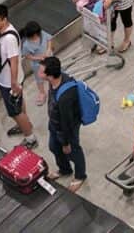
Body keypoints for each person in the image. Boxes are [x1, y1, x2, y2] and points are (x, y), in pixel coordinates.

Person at [0, 4, 38, 149]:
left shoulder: (9, 38)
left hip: (9, 82)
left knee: (14, 111)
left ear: (4, 20)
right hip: (7, 79)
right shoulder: (2, 32)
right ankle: (23, 125)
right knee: (19, 104)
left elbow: (14, 61)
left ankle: (30, 138)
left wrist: (14, 83)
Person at [39, 57, 86, 193]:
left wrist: (66, 143)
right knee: (53, 146)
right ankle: (65, 169)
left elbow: (67, 122)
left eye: (41, 72)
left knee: (74, 151)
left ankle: (80, 176)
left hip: (66, 128)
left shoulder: (66, 96)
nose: (38, 74)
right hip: (55, 123)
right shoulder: (53, 81)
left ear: (50, 75)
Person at [19, 20, 53, 106]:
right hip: (38, 65)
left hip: (50, 59)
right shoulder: (27, 45)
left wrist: (49, 49)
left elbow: (49, 39)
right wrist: (39, 57)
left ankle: (54, 87)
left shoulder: (42, 34)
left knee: (53, 74)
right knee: (39, 79)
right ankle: (42, 93)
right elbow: (27, 56)